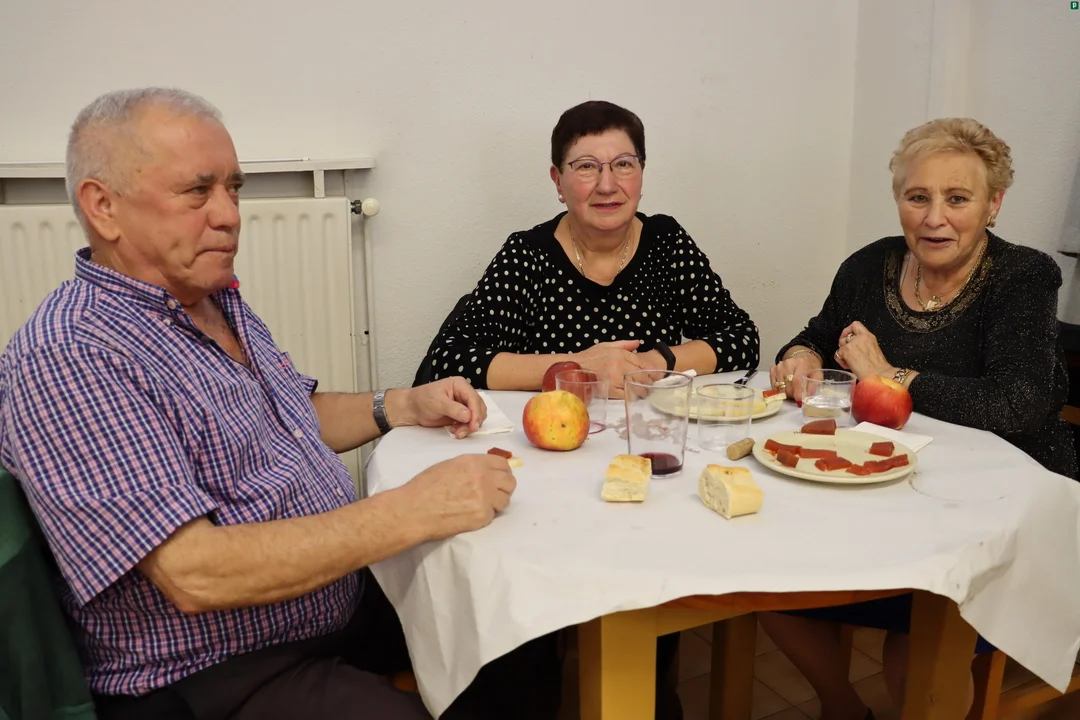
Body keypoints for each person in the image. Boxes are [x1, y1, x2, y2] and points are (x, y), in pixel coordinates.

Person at [0, 88, 561, 720]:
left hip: (326, 604)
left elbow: (288, 418)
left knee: (521, 632)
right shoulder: (72, 352)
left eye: (233, 189)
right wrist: (412, 510)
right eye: (198, 191)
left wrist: (400, 405)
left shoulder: (210, 300)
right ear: (103, 207)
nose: (229, 215)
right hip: (216, 670)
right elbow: (193, 574)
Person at [761, 117, 1078, 720]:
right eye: (917, 197)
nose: (935, 218)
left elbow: (1018, 402)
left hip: (1001, 510)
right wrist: (800, 354)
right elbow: (818, 334)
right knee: (768, 583)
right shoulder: (869, 265)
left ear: (993, 204)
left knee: (916, 655)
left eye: (957, 198)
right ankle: (843, 708)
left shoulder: (1023, 276)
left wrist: (889, 374)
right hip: (890, 493)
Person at [421, 100, 759, 397]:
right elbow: (449, 359)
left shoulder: (665, 241)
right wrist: (577, 369)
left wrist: (649, 364)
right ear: (558, 181)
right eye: (586, 166)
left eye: (623, 164)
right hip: (552, 436)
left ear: (641, 173)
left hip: (647, 430)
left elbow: (741, 339)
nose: (607, 185)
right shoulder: (528, 254)